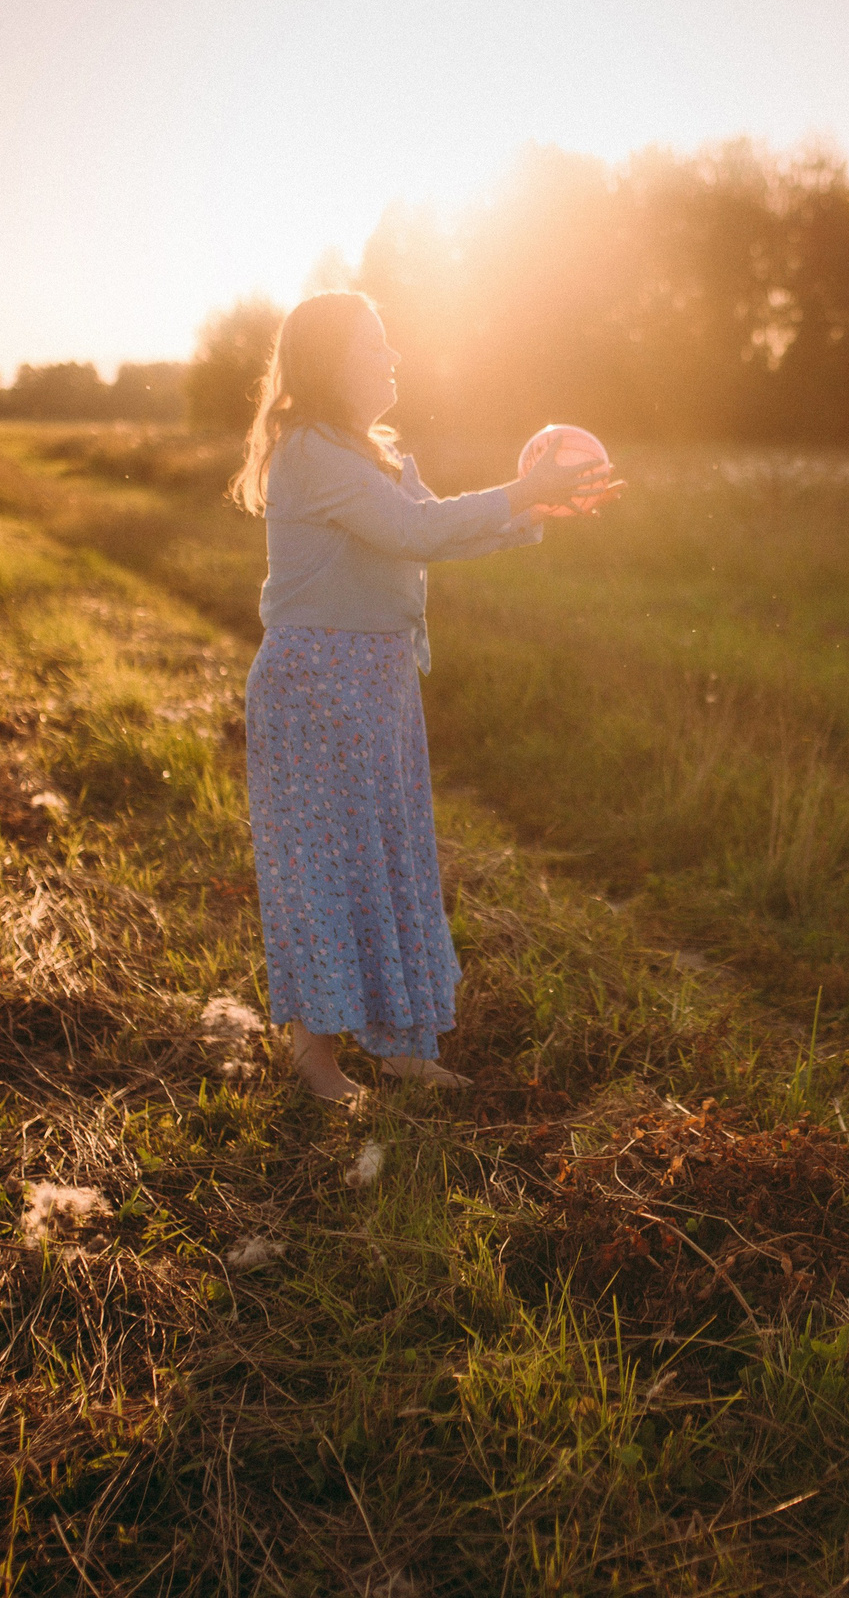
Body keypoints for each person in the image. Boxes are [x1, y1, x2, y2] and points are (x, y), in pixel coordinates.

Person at [228, 291, 621, 1100]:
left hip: (377, 684)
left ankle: (403, 1044)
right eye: (376, 346)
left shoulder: (369, 452)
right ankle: (317, 1059)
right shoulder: (308, 452)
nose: (394, 358)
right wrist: (521, 494)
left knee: (389, 863)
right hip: (315, 688)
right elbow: (415, 534)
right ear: (331, 365)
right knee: (322, 870)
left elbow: (434, 526)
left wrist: (536, 504)